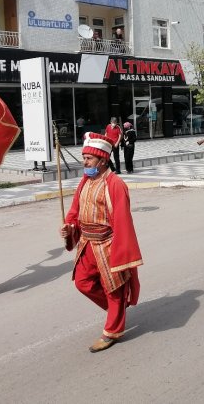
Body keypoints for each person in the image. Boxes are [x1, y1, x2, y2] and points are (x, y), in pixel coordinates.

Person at [59, 132, 143, 352]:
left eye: (89, 158)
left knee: (113, 289)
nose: (84, 162)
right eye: (84, 157)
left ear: (103, 160)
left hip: (107, 243)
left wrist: (122, 250)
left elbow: (123, 221)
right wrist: (69, 227)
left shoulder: (115, 184)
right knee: (82, 282)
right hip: (86, 242)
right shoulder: (85, 181)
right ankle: (117, 312)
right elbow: (75, 211)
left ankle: (112, 330)